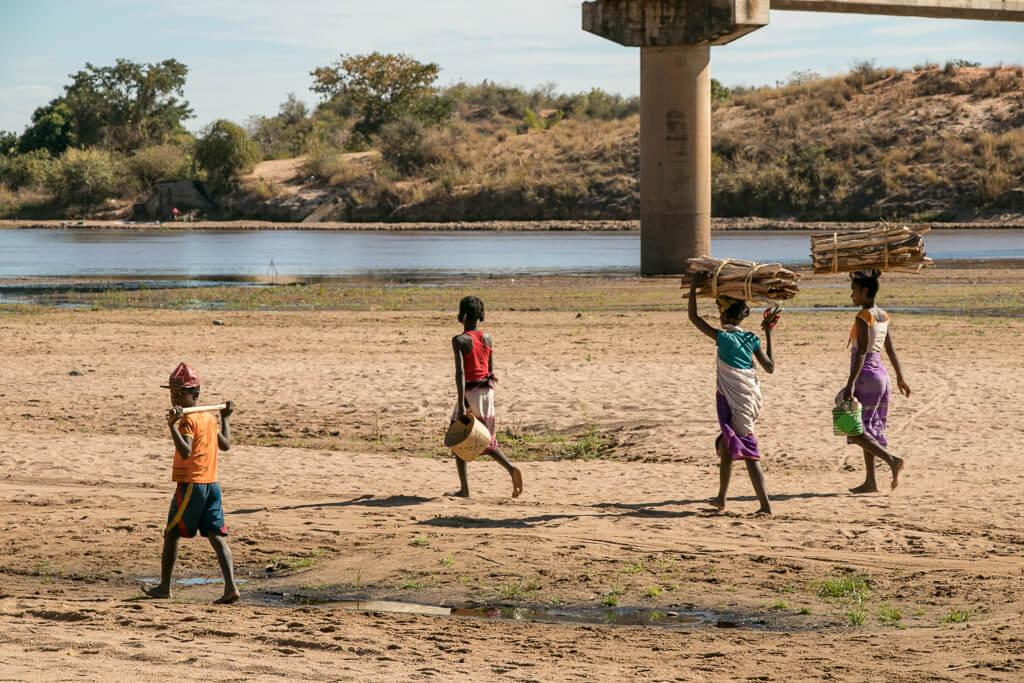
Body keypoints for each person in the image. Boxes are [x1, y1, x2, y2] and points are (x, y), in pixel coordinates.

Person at [143, 362, 240, 604]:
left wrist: (171, 427)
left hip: (191, 485)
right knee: (216, 536)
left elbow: (185, 452)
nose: (175, 398)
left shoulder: (188, 421)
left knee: (171, 533)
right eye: (172, 393)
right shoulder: (208, 418)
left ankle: (164, 587)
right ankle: (230, 587)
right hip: (211, 485)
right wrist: (225, 419)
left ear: (195, 394)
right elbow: (226, 444)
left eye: (180, 393)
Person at [688, 277, 777, 515]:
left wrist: (694, 289)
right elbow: (770, 368)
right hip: (751, 398)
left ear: (725, 315)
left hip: (739, 404)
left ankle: (765, 506)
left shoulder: (724, 338)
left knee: (750, 452)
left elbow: (694, 319)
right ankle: (721, 498)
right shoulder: (751, 338)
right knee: (727, 446)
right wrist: (768, 332)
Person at [449, 296, 523, 498]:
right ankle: (510, 468)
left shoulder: (459, 340)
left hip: (470, 392)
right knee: (486, 439)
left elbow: (461, 373)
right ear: (480, 315)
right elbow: (490, 370)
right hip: (487, 391)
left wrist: (463, 403)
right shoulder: (487, 337)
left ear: (462, 314)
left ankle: (465, 489)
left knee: (458, 438)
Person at [840, 270, 907, 493]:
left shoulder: (863, 317)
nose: (852, 297)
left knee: (852, 429)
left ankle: (892, 460)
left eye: (854, 292)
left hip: (866, 376)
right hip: (882, 377)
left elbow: (860, 354)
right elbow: (890, 349)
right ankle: (871, 481)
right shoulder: (883, 315)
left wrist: (850, 383)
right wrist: (899, 377)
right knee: (868, 427)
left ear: (865, 292)